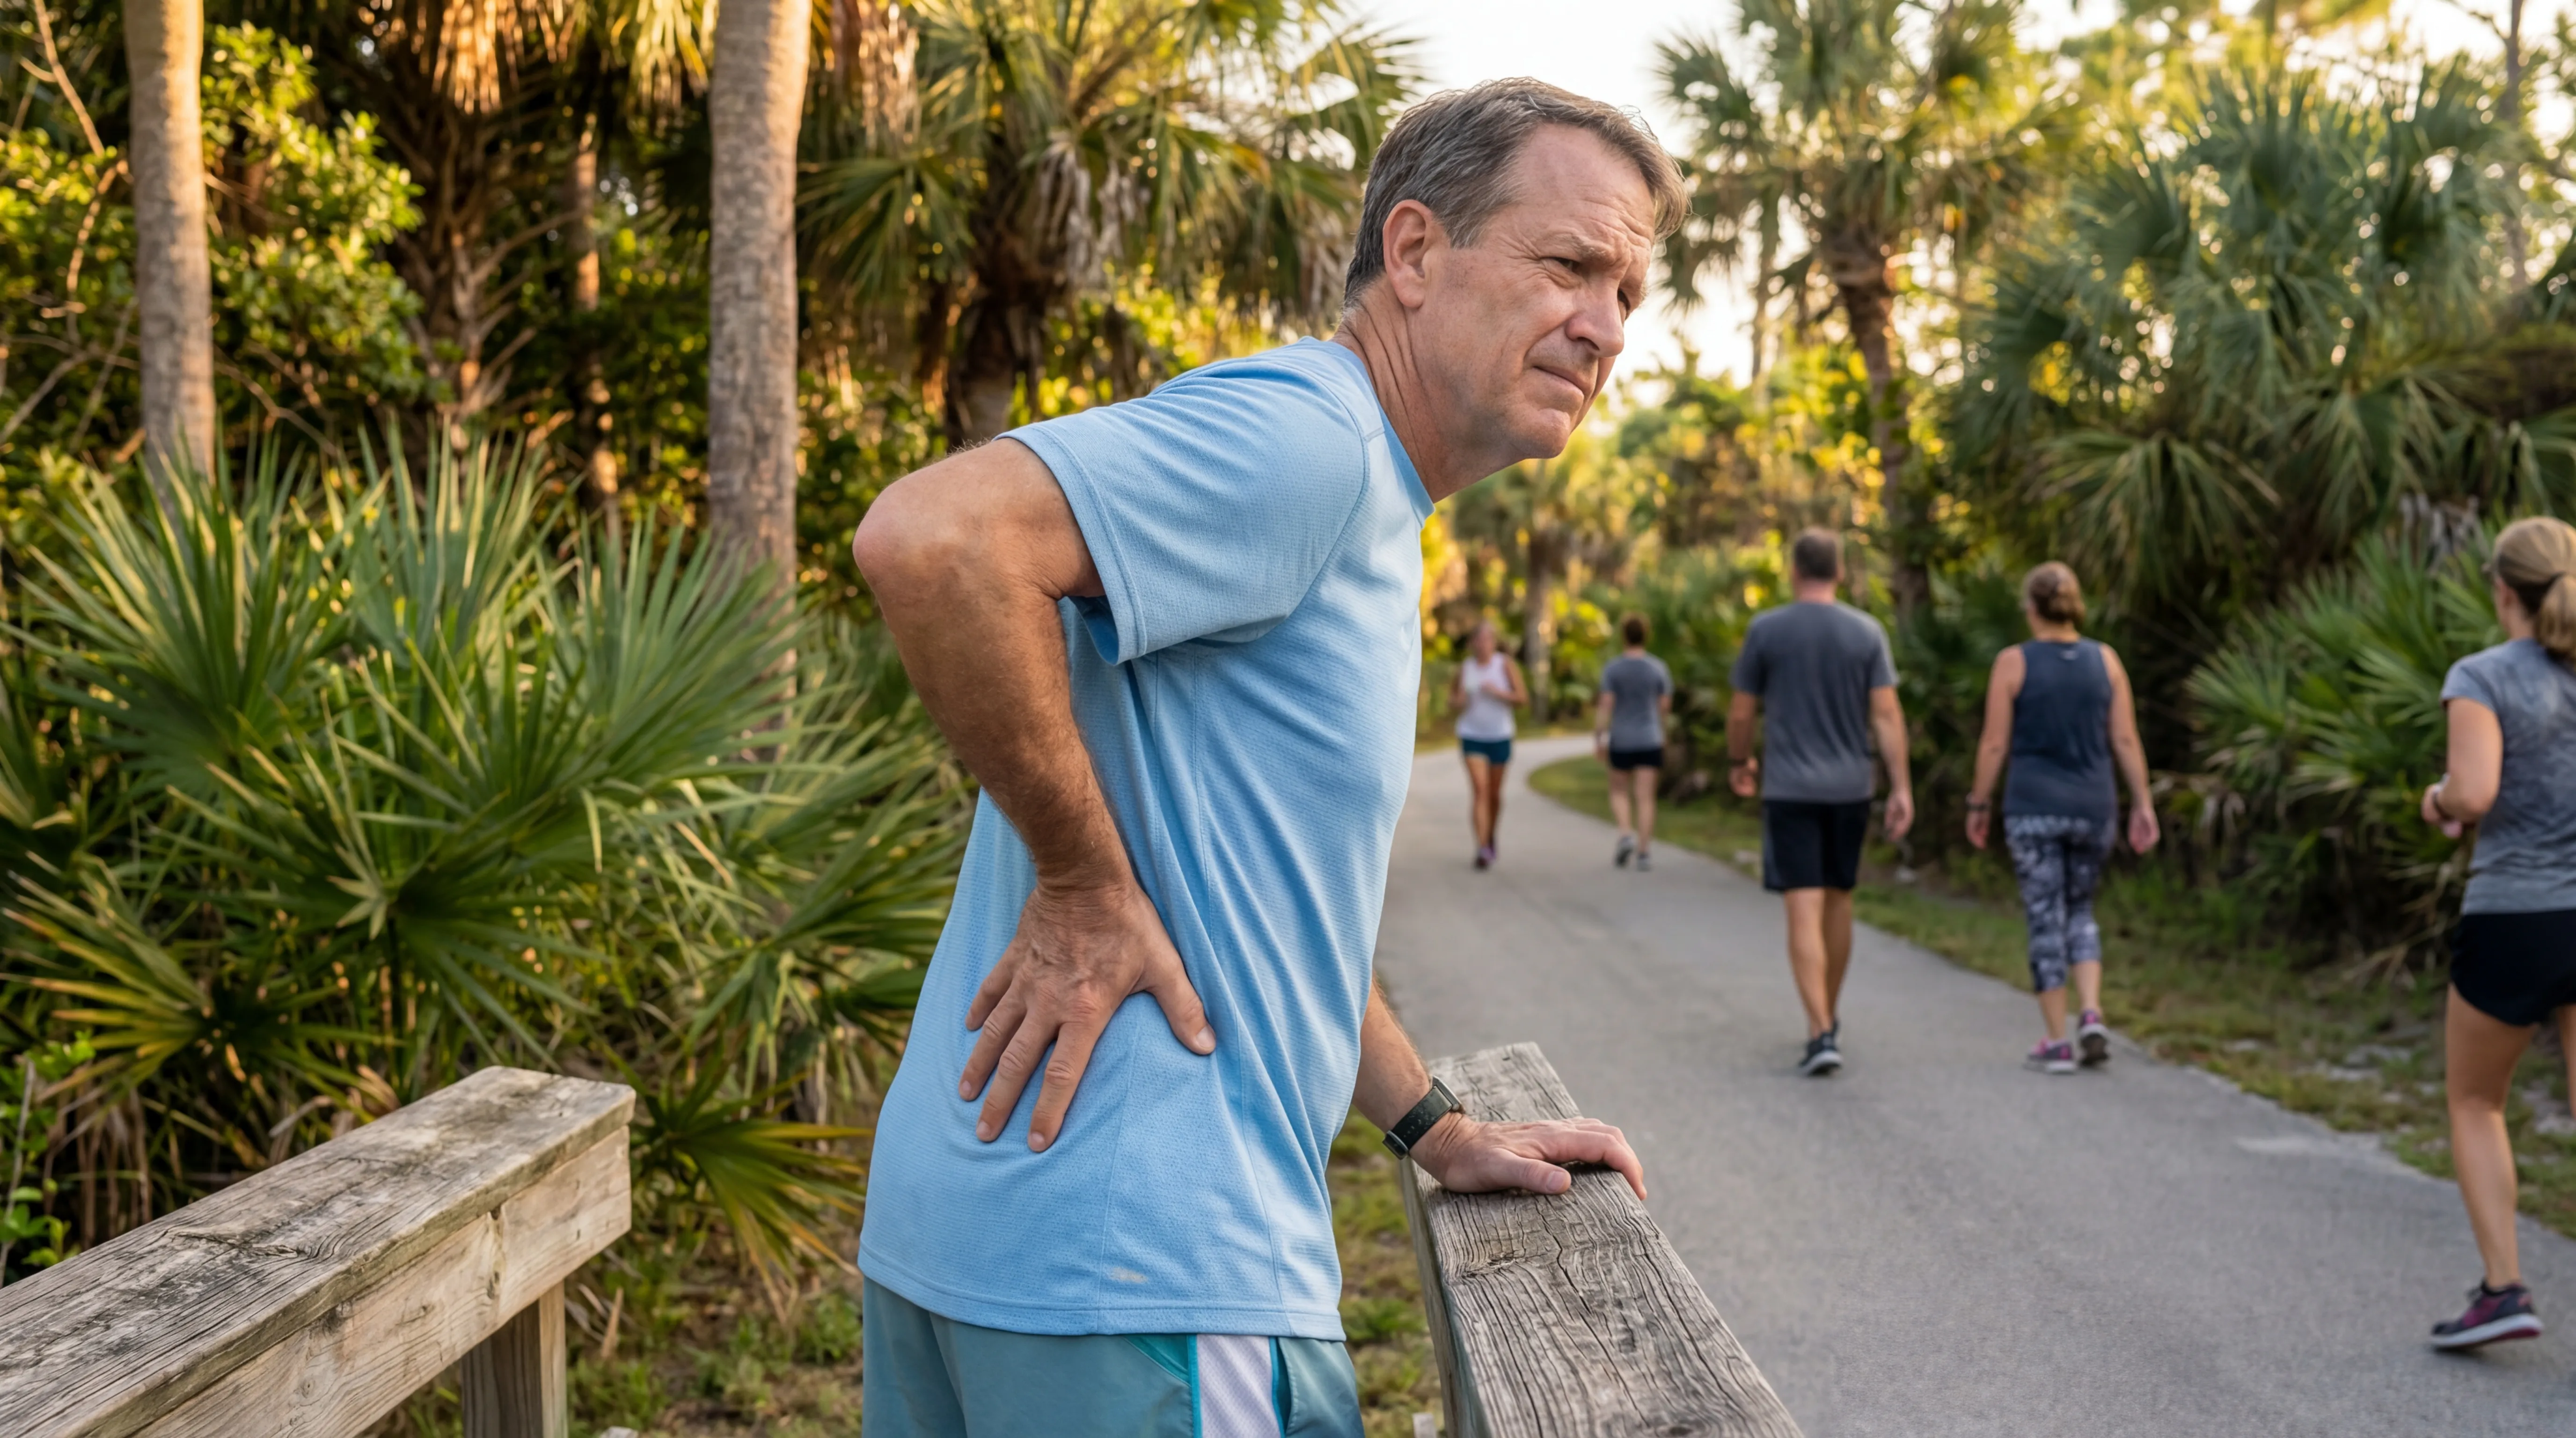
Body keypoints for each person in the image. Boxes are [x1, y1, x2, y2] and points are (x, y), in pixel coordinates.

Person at [848, 79, 1683, 1436]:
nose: (1603, 326)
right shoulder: (1314, 440)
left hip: (991, 1245)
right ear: (1412, 254)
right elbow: (934, 539)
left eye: (1629, 295)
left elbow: (1262, 908)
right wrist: (1079, 885)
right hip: (1148, 1275)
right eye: (1570, 264)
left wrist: (1433, 1127)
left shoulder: (1360, 492)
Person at [2416, 515, 2576, 1351]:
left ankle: (2501, 1289)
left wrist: (2434, 799)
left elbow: (2472, 793)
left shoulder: (2481, 674)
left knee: (2476, 1101)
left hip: (2517, 915)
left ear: (2500, 589)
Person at [1727, 529, 1913, 1076]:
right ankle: (1827, 1018)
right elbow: (1886, 716)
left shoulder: (1767, 629)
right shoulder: (1867, 632)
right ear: (1838, 572)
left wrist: (1739, 762)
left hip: (1789, 788)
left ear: (1793, 571)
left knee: (1801, 906)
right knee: (1839, 900)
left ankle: (1818, 1028)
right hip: (1850, 789)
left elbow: (1742, 713)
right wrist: (1901, 787)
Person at [1961, 563, 2159, 1074]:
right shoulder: (2106, 661)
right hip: (2093, 807)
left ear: (2031, 608)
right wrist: (2141, 802)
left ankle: (2055, 1039)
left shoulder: (2013, 663)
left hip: (2032, 808)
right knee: (2080, 909)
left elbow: (1994, 743)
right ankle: (2090, 1012)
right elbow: (2123, 739)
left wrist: (1978, 802)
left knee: (2043, 915)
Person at [1595, 613, 1672, 871]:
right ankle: (1644, 852)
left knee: (1618, 791)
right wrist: (1664, 735)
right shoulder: (1658, 668)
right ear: (1646, 636)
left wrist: (1599, 736)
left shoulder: (1614, 668)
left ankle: (1626, 833)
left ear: (1623, 636)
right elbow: (1664, 706)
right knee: (1646, 797)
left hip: (1623, 739)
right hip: (1650, 738)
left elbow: (1606, 704)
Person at [1451, 619, 1528, 869]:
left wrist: (1498, 692)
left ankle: (1490, 835)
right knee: (1480, 790)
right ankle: (1483, 847)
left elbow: (1522, 699)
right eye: (1480, 640)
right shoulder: (1466, 668)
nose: (1484, 645)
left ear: (1494, 643)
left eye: (1489, 640)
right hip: (1471, 735)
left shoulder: (1504, 665)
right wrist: (1459, 700)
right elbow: (1453, 702)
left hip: (1500, 736)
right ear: (1473, 643)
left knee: (1495, 795)